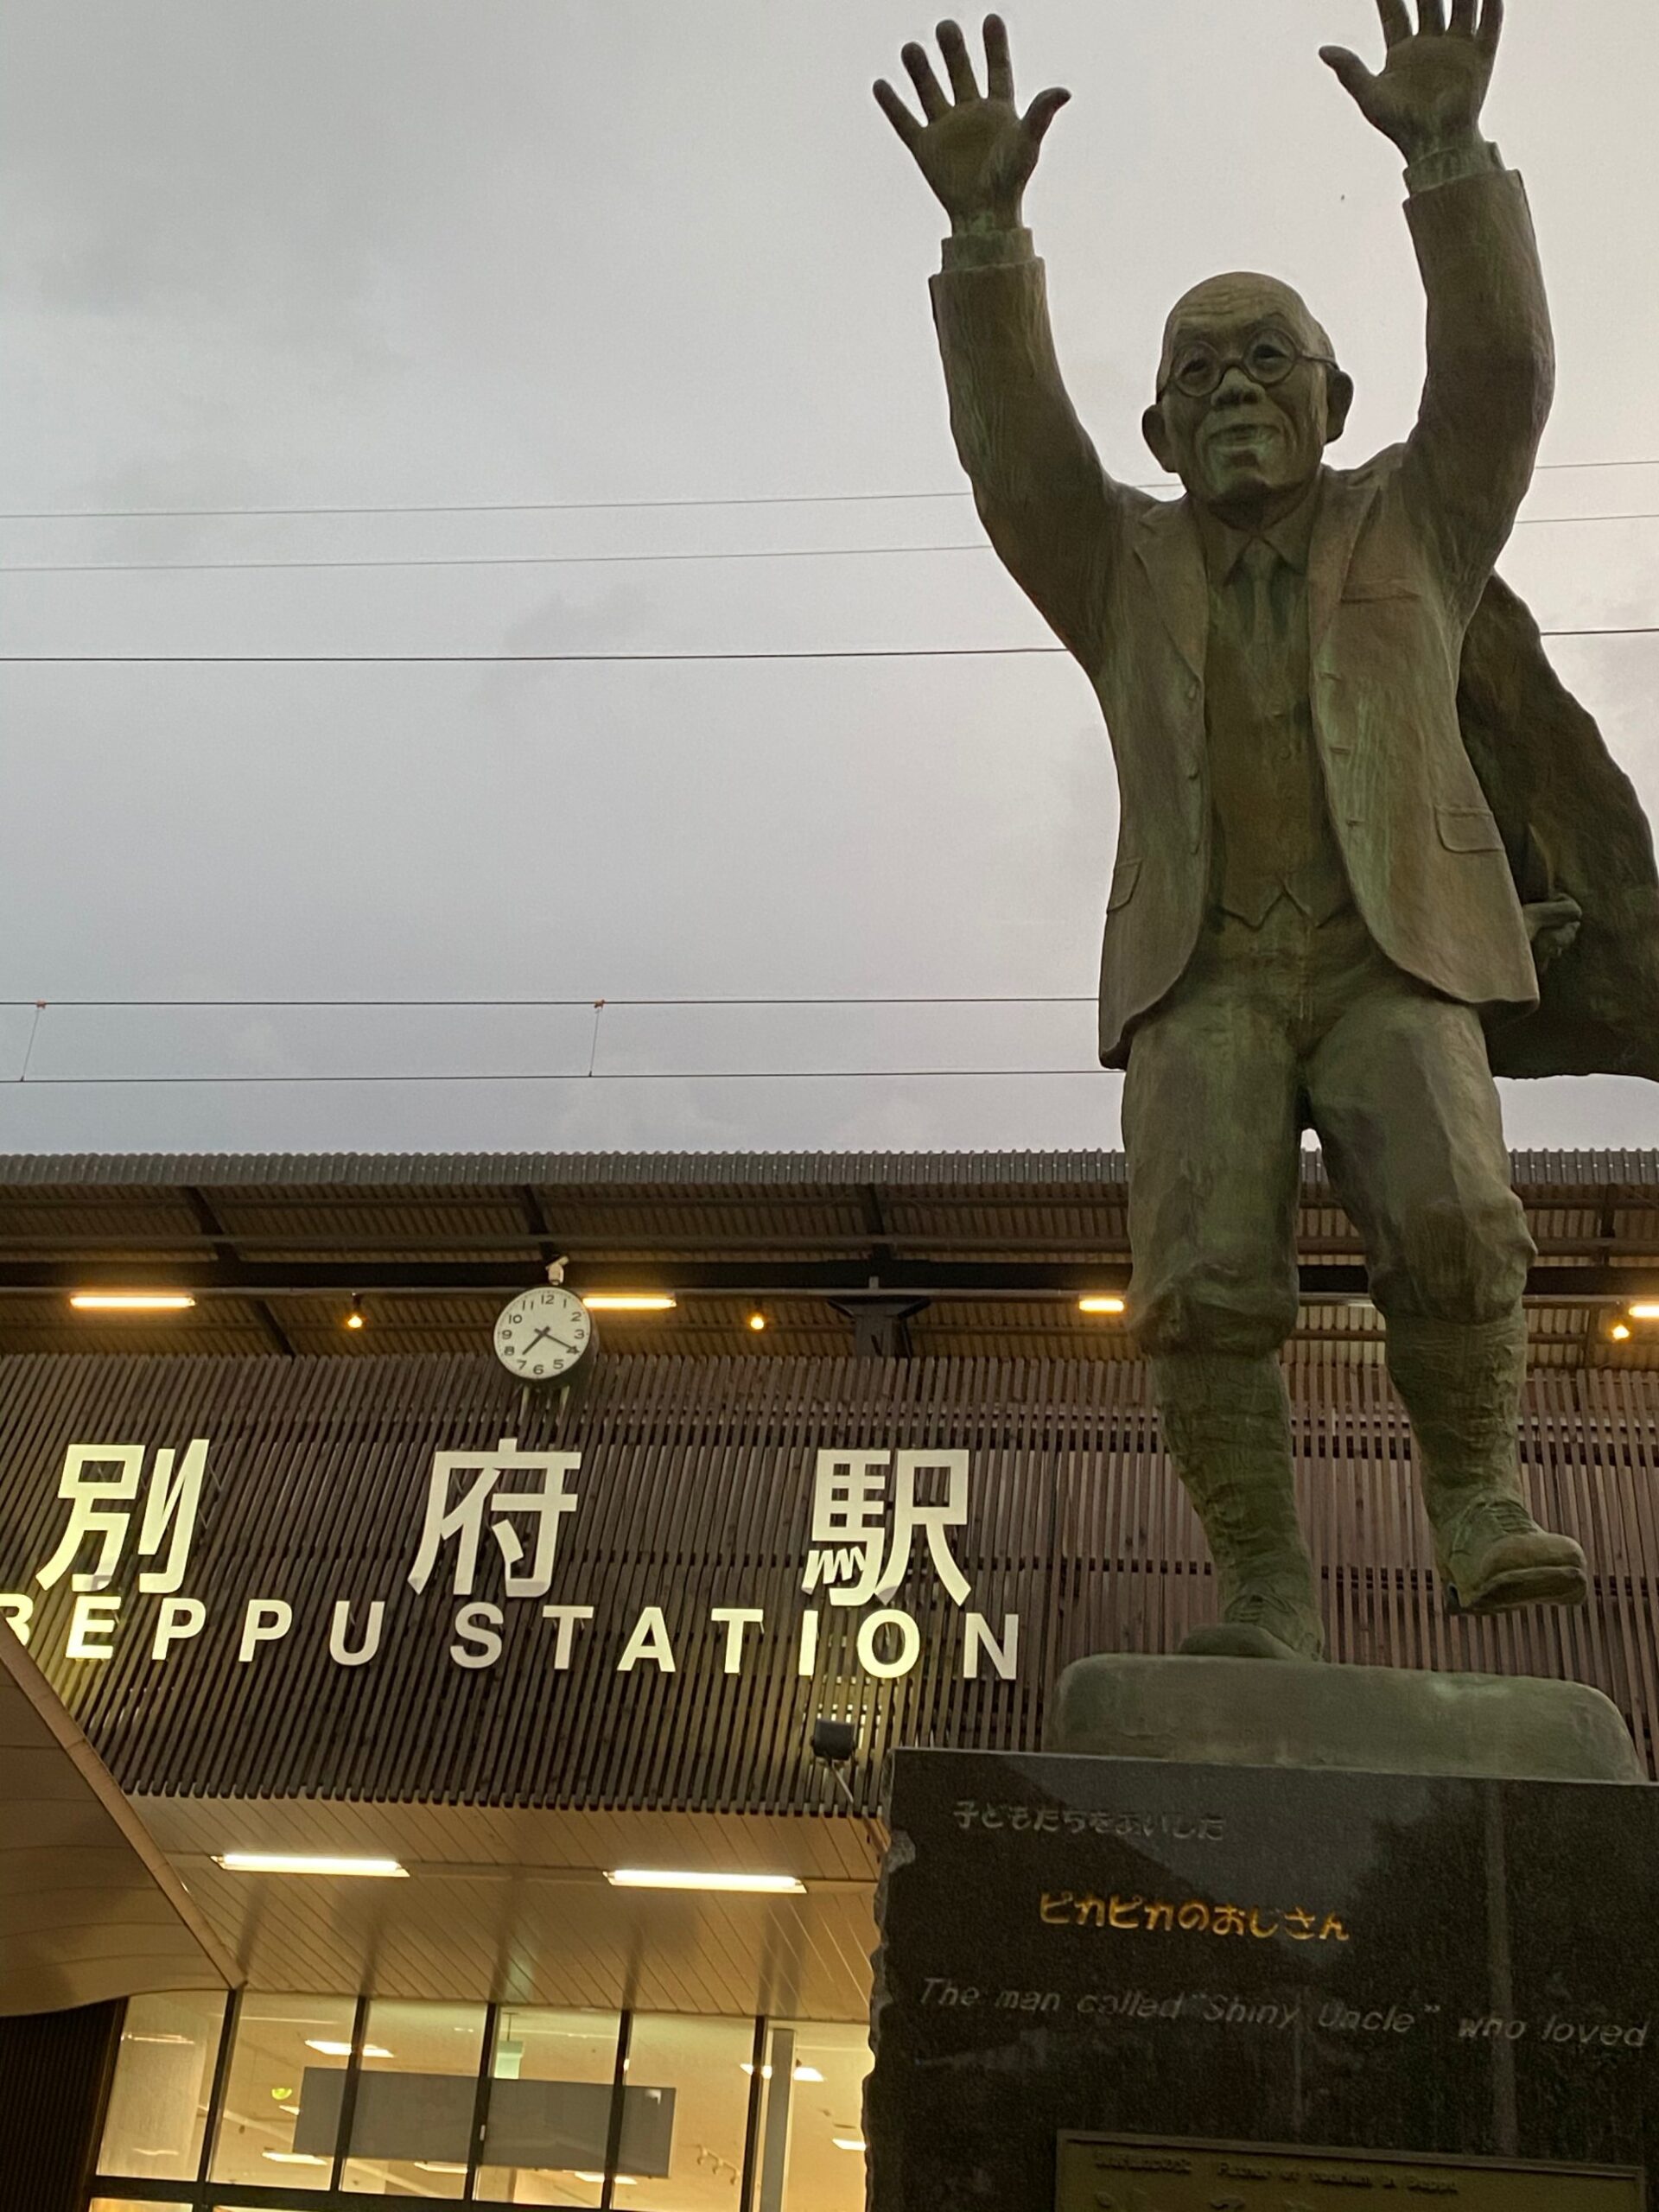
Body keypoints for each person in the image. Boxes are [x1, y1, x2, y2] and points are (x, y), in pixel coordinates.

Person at [875, 1, 1590, 1660]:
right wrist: (987, 240)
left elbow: (1501, 371)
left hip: (1389, 950)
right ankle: (1266, 1592)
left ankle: (1477, 1498)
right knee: (1198, 1286)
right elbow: (1015, 462)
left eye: (1268, 357)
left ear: (1335, 399)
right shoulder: (1120, 565)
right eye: (1195, 375)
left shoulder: (1420, 514)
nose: (1233, 390)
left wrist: (1445, 157)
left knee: (1459, 1222)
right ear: (1161, 436)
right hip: (1201, 969)